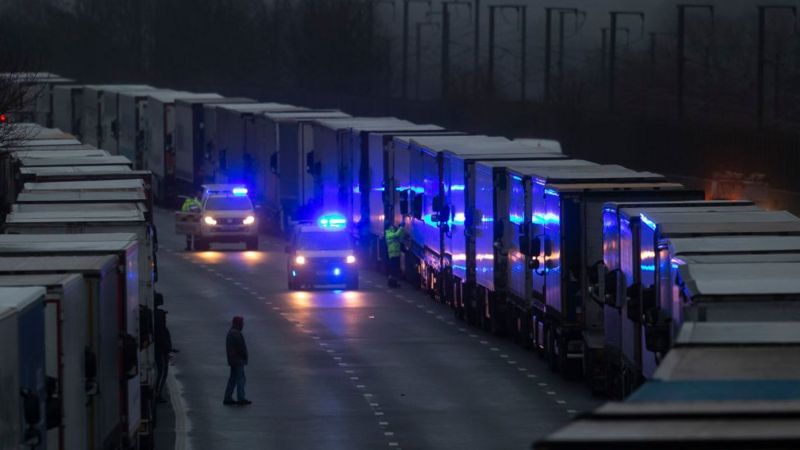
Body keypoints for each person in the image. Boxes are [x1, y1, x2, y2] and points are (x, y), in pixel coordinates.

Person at [223, 316, 251, 405]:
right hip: (237, 360)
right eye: (241, 323)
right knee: (240, 379)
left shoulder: (232, 332)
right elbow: (240, 347)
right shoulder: (235, 334)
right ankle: (241, 397)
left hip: (233, 359)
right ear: (238, 324)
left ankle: (228, 397)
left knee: (233, 378)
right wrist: (244, 356)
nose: (243, 325)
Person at [154, 307, 172, 403]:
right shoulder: (161, 329)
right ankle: (157, 393)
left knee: (161, 372)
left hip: (162, 350)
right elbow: (163, 339)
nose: (165, 319)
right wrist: (167, 348)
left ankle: (157, 393)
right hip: (161, 351)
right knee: (162, 372)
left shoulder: (161, 328)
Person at [384, 220, 406, 288]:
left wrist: (400, 228)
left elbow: (400, 236)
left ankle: (394, 283)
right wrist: (401, 227)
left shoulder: (391, 232)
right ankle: (391, 283)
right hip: (393, 255)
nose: (392, 226)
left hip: (396, 254)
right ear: (388, 227)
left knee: (396, 269)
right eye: (391, 225)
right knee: (394, 269)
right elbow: (396, 235)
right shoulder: (388, 234)